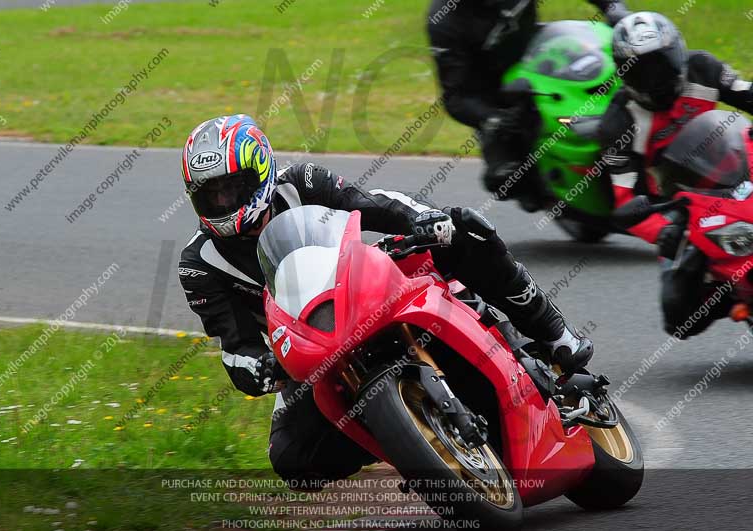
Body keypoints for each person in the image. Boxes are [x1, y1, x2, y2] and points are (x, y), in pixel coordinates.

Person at [178, 114, 595, 485]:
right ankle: (405, 442)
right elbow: (235, 346)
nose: (223, 202)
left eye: (233, 188)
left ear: (261, 172)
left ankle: (553, 332)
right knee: (292, 459)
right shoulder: (199, 264)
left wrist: (423, 219)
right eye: (210, 194)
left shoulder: (302, 182)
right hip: (310, 347)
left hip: (364, 291)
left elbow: (373, 204)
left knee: (466, 229)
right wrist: (259, 367)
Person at [599, 12, 753, 336]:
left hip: (738, 166)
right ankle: (728, 295)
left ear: (678, 53)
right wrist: (665, 232)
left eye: (662, 63)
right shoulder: (619, 124)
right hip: (682, 206)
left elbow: (747, 94)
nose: (655, 78)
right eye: (642, 70)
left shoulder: (704, 68)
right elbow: (626, 200)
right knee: (680, 318)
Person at [427, 0, 630, 202]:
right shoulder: (443, 22)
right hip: (495, 94)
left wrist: (613, 7)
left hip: (541, 53)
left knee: (619, 66)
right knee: (505, 178)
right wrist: (493, 119)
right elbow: (456, 97)